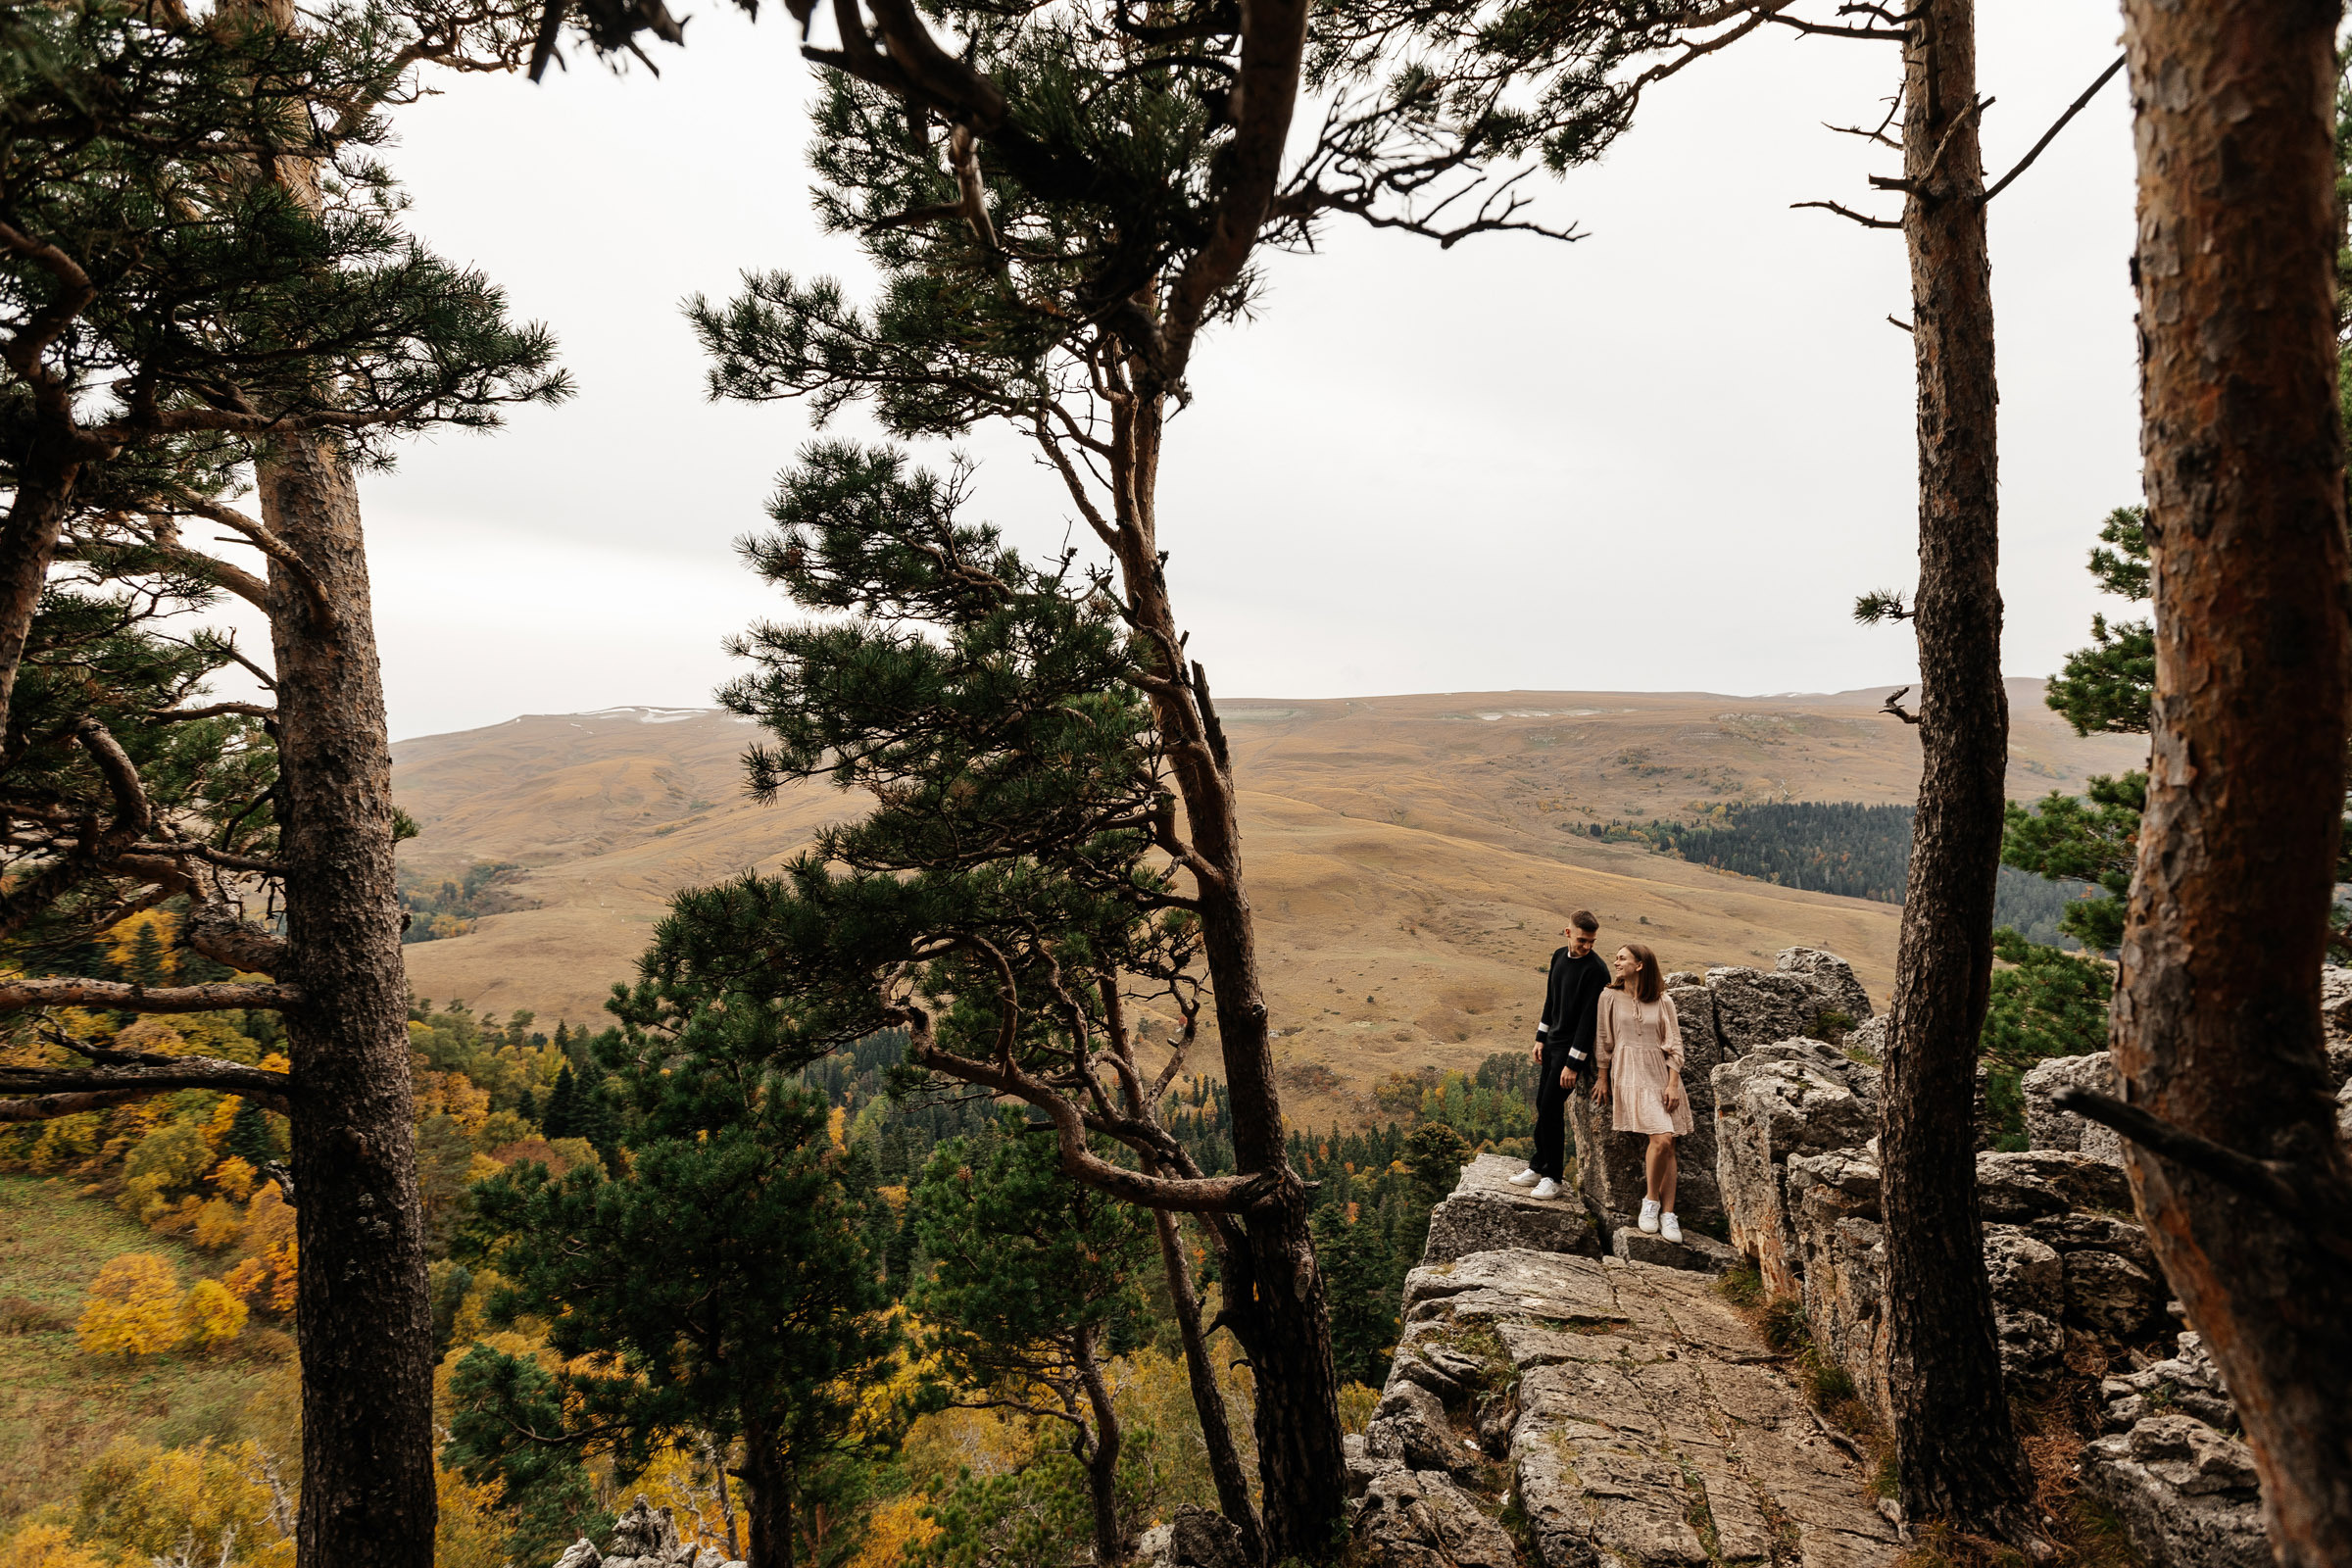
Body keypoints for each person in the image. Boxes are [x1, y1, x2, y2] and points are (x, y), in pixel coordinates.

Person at [1592, 941, 1691, 1242]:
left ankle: (1668, 1214)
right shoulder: (1609, 995)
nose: (1617, 962)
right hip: (1629, 1073)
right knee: (1661, 1139)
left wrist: (1673, 1084)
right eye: (1616, 958)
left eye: (1623, 958)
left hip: (1660, 1075)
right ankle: (1651, 1202)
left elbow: (1674, 1045)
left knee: (1668, 1143)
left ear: (1640, 965)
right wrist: (1602, 1076)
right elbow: (1603, 1039)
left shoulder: (1663, 1001)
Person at [1508, 909, 1608, 1201]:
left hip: (1570, 1052)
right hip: (1551, 1045)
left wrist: (1573, 1064)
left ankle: (1553, 1177)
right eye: (1582, 940)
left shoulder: (1597, 970)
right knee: (1543, 1104)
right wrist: (1541, 1037)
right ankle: (1538, 1167)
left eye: (1591, 941)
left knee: (1551, 1108)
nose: (1587, 946)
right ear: (1568, 933)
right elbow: (1551, 1000)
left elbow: (1589, 1021)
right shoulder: (1558, 957)